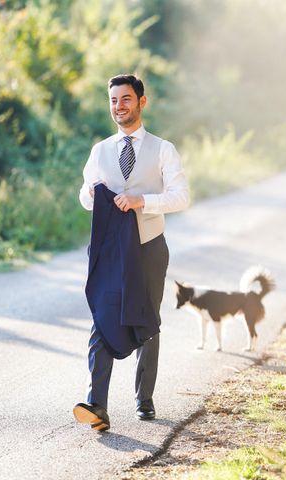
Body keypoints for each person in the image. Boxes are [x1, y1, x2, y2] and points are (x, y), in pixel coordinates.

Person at [73, 74, 189, 431]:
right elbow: (83, 196)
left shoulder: (163, 149)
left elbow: (180, 197)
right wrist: (92, 196)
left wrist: (143, 201)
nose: (118, 107)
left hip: (148, 247)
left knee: (146, 320)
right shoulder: (100, 151)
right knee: (101, 318)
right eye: (113, 101)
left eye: (125, 99)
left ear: (141, 102)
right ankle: (97, 405)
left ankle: (144, 398)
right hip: (110, 251)